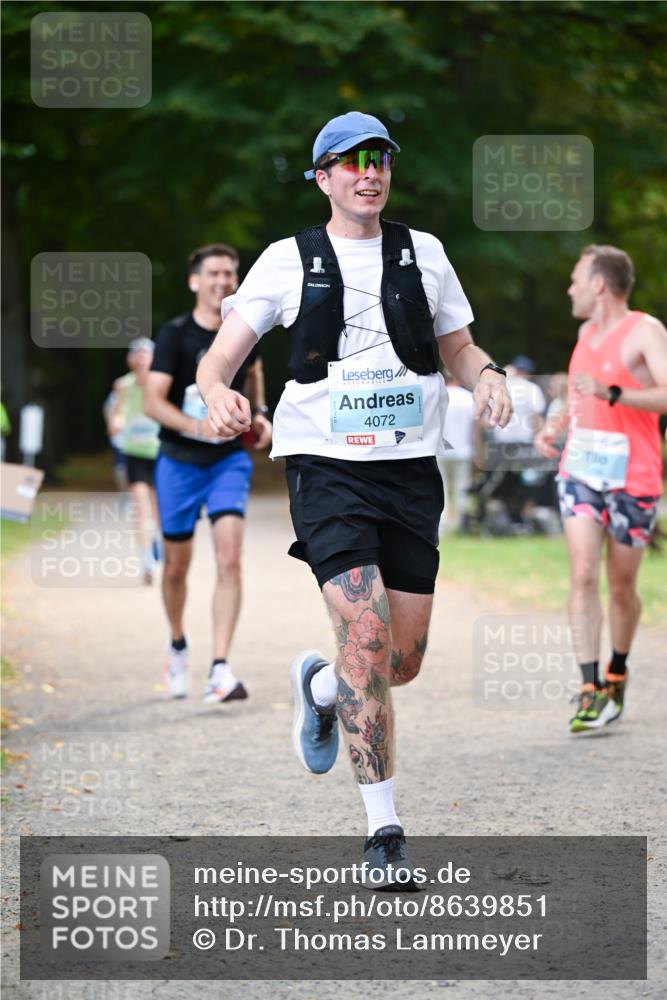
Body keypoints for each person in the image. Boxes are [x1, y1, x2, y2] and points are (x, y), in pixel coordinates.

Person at [197, 112, 512, 884]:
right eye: (350, 162)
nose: (368, 173)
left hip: (409, 472)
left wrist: (489, 376)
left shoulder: (424, 254)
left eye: (378, 160)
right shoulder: (284, 260)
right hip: (325, 468)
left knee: (397, 662)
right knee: (365, 638)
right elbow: (219, 360)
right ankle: (384, 834)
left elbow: (458, 351)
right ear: (322, 176)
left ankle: (317, 685)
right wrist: (214, 394)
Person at [535, 245, 667, 733]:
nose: (569, 288)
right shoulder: (584, 333)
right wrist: (554, 426)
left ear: (597, 284)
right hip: (582, 469)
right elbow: (577, 392)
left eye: (575, 279)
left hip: (634, 475)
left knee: (623, 585)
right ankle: (590, 687)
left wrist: (615, 393)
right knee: (584, 573)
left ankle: (616, 672)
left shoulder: (646, 331)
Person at [144, 244, 272, 702]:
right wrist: (197, 425)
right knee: (176, 566)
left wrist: (259, 415)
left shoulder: (244, 334)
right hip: (178, 461)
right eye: (214, 273)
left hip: (227, 461)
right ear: (195, 281)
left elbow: (254, 379)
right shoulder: (175, 334)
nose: (223, 281)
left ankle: (220, 667)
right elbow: (152, 401)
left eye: (230, 274)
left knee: (230, 558)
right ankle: (178, 644)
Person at [110, 339, 162, 583]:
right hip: (135, 452)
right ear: (131, 360)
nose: (142, 359)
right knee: (141, 508)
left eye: (146, 354)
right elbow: (118, 412)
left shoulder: (162, 383)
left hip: (161, 453)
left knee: (159, 510)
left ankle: (158, 543)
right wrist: (117, 422)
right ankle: (147, 561)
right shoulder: (123, 385)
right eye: (137, 354)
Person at [437, 374, 475, 533]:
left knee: (441, 488)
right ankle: (461, 524)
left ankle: (442, 525)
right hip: (463, 449)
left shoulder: (439, 395)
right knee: (462, 488)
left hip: (440, 449)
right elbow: (475, 426)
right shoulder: (469, 397)